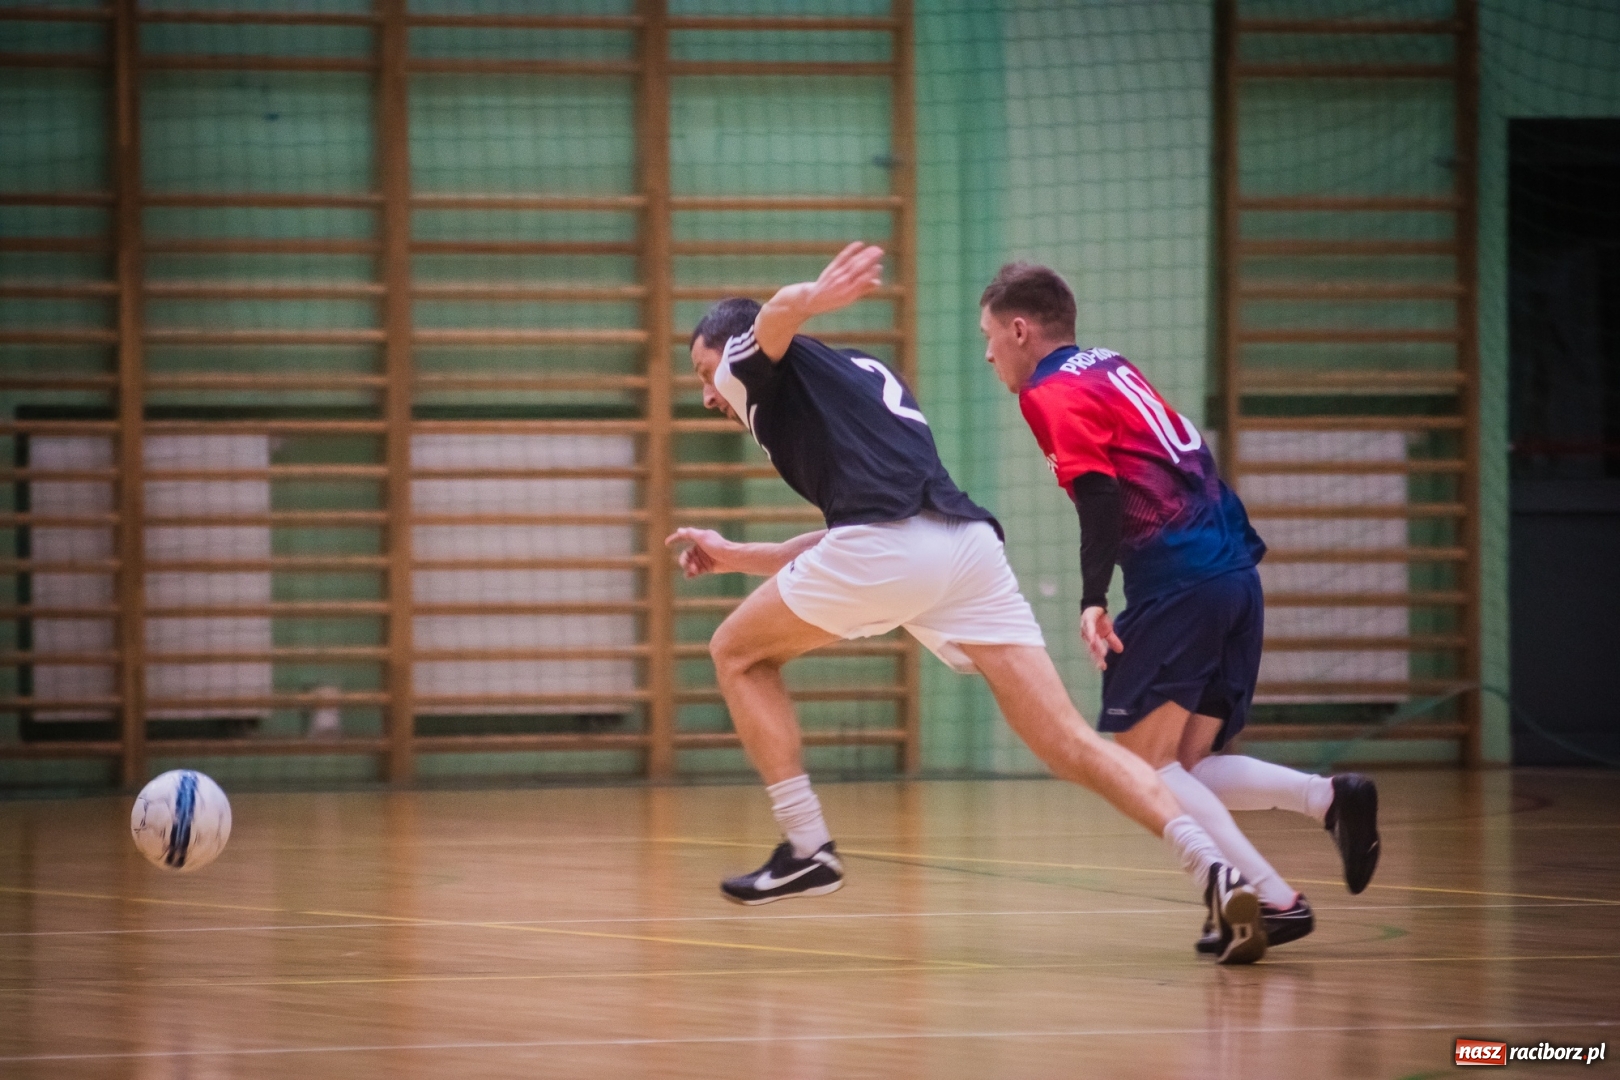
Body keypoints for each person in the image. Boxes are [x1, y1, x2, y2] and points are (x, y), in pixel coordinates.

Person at [668, 242, 1268, 964]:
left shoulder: (749, 363)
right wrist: (735, 554)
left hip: (887, 550)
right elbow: (862, 532)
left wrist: (814, 293)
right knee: (1070, 745)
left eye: (703, 373)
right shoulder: (861, 374)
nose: (707, 393)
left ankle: (806, 846)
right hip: (964, 548)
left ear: (728, 352)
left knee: (734, 652)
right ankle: (1217, 868)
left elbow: (776, 316)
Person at [977, 261, 1382, 953]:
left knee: (1141, 763)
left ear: (1021, 329)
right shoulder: (1109, 366)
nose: (988, 353)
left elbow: (1100, 495)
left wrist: (1091, 599)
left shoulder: (1047, 392)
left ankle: (1268, 896)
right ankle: (1326, 800)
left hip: (1181, 581)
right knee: (1185, 765)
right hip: (1232, 574)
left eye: (990, 336)